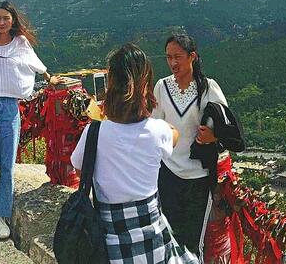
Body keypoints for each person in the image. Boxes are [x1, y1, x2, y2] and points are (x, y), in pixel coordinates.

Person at [70, 43, 196, 264]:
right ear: (144, 86)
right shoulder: (158, 131)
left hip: (109, 242)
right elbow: (174, 136)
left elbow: (79, 165)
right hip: (153, 240)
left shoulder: (94, 132)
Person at [0, 0, 58, 240]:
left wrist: (49, 78)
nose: (2, 22)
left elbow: (36, 64)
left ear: (13, 20)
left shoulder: (21, 42)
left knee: (7, 164)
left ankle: (1, 214)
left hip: (10, 107)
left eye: (6, 18)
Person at [151, 33, 229, 261]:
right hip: (168, 173)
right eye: (168, 58)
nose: (173, 63)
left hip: (199, 176)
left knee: (193, 240)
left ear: (192, 56)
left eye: (178, 57)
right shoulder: (162, 87)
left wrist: (213, 137)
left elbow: (228, 128)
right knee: (170, 233)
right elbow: (155, 126)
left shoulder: (208, 88)